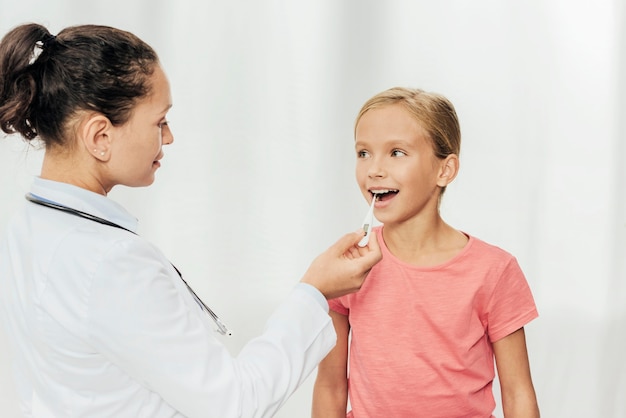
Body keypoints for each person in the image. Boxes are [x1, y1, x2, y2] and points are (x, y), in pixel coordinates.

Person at [0, 23, 382, 418]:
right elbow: (234, 403)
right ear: (100, 136)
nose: (168, 138)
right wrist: (315, 291)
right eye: (159, 121)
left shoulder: (27, 225)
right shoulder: (111, 263)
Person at [312, 87, 540, 417]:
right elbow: (331, 385)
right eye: (363, 153)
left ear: (444, 170)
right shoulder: (348, 265)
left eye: (397, 153)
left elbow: (518, 394)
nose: (374, 169)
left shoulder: (494, 270)